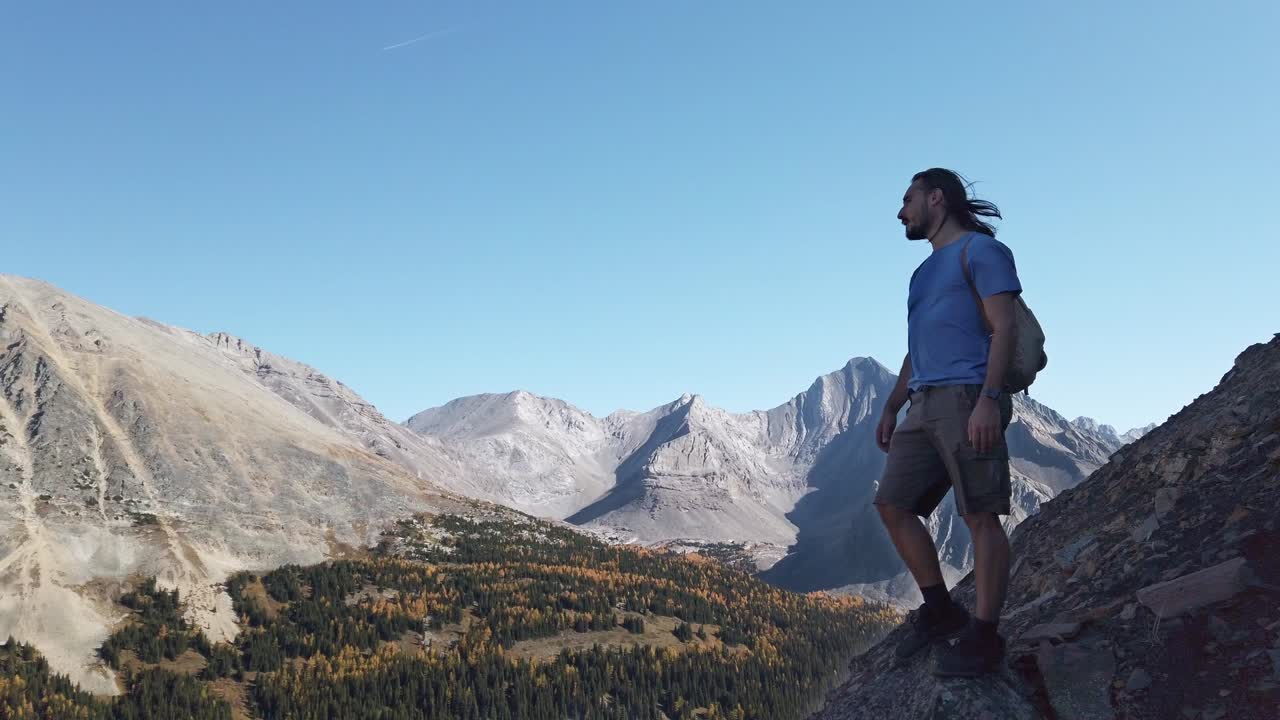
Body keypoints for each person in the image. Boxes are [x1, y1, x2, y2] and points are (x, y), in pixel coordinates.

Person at [873, 168, 1021, 676]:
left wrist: (989, 399)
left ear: (937, 197)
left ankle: (984, 637)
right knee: (892, 504)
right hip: (922, 402)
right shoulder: (923, 273)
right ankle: (941, 611)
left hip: (966, 398)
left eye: (907, 199)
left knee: (980, 514)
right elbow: (917, 350)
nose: (901, 212)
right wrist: (893, 405)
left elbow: (1004, 329)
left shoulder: (981, 253)